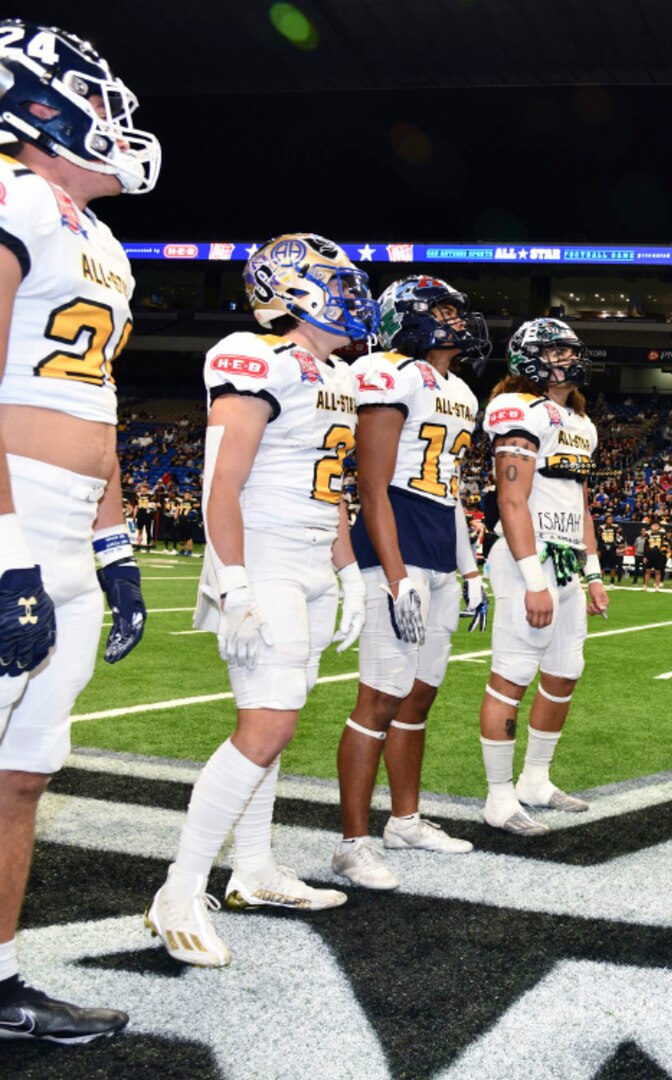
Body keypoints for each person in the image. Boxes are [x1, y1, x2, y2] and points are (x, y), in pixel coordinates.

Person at [147, 233, 376, 967]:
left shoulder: (335, 372)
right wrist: (234, 581)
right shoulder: (254, 355)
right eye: (331, 280)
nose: (348, 292)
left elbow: (333, 483)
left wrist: (348, 572)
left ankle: (253, 870)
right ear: (290, 288)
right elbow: (223, 480)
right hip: (265, 559)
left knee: (275, 726)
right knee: (266, 728)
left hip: (310, 557)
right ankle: (179, 891)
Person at [0, 19, 158, 1040]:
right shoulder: (11, 194)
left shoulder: (98, 241)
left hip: (60, 525)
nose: (116, 121)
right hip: (9, 514)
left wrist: (111, 546)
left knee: (21, 775)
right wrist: (9, 552)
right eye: (96, 100)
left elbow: (94, 403)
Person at [331, 276, 489, 890]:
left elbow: (448, 489)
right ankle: (351, 842)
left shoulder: (462, 392)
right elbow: (372, 484)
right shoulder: (385, 370)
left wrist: (469, 568)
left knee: (419, 695)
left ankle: (405, 819)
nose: (456, 320)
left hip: (438, 546)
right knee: (379, 696)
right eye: (444, 310)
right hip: (391, 545)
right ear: (409, 318)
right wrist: (396, 576)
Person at [478, 318, 609, 836]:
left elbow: (579, 501)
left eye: (570, 352)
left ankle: (535, 780)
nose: (568, 360)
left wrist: (593, 571)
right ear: (530, 358)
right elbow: (511, 498)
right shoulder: (517, 409)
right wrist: (532, 577)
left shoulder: (580, 422)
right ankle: (498, 798)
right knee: (511, 676)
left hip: (565, 559)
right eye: (556, 352)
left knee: (564, 672)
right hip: (523, 558)